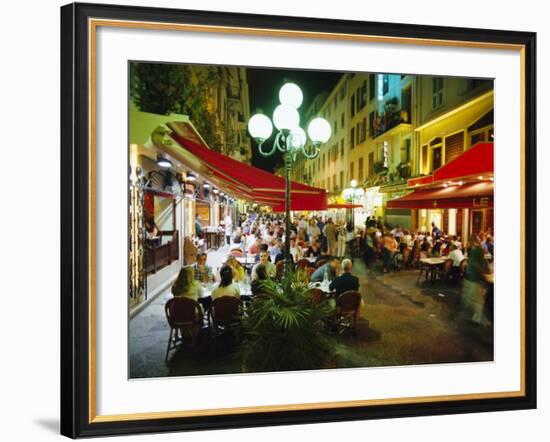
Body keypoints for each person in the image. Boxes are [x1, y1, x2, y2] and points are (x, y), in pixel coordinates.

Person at [462, 239, 490, 325]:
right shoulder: (475, 255)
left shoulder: (476, 254)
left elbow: (480, 267)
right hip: (473, 280)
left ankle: (478, 319)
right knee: (475, 301)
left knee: (476, 301)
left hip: (475, 281)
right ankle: (479, 318)